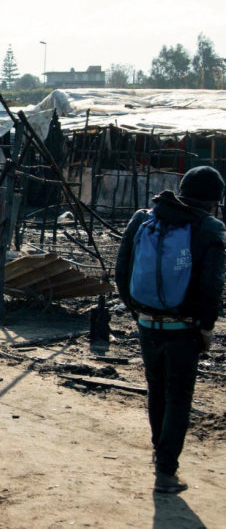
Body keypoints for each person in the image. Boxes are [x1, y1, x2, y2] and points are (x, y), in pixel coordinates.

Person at [115, 165, 226, 494]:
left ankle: (159, 455)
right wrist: (206, 328)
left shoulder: (143, 218)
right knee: (179, 397)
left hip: (148, 323)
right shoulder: (210, 228)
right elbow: (212, 286)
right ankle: (166, 472)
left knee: (157, 390)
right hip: (184, 329)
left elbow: (123, 270)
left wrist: (138, 313)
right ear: (214, 200)